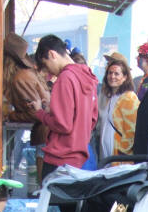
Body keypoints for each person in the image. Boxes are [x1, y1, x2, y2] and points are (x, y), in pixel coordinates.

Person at [29, 34, 99, 177]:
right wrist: (53, 109)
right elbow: (92, 118)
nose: (49, 72)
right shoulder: (87, 76)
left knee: (54, 199)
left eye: (46, 65)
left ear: (52, 54)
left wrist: (40, 113)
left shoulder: (65, 78)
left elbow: (63, 124)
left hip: (59, 159)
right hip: (79, 157)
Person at [2, 33, 50, 179]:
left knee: (45, 185)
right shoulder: (26, 75)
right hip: (46, 134)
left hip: (45, 134)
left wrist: (10, 115)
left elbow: (34, 113)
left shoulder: (21, 78)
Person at [94, 52, 139, 160]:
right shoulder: (109, 96)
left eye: (116, 73)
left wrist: (122, 154)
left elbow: (132, 131)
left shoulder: (129, 97)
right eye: (110, 73)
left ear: (125, 77)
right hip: (106, 158)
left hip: (119, 160)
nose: (112, 76)